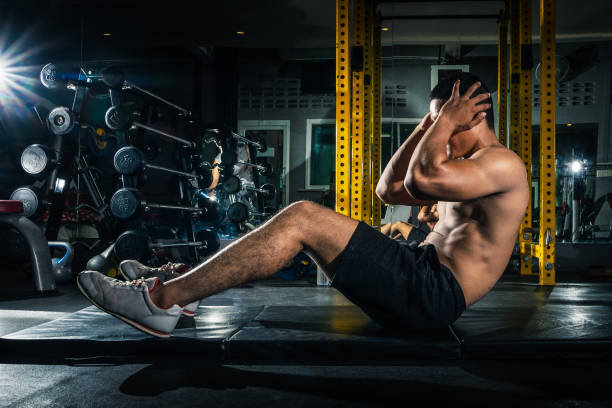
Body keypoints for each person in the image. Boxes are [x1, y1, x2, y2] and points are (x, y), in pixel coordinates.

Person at [77, 73, 529, 337]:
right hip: (421, 273)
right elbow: (389, 190)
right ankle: (185, 289)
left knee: (301, 218)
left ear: (477, 116)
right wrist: (431, 121)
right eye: (437, 123)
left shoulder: (501, 165)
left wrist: (446, 119)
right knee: (302, 225)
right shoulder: (464, 162)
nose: (441, 133)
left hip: (434, 294)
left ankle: (160, 304)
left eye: (447, 124)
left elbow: (421, 177)